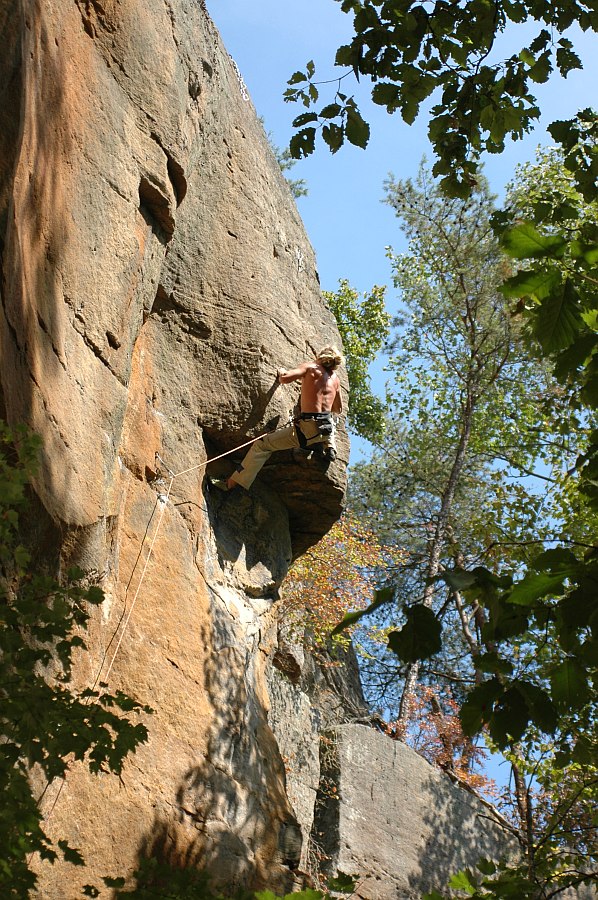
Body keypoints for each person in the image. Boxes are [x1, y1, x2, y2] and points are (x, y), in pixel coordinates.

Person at [211, 345, 344, 492]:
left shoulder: (311, 367)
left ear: (320, 356)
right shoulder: (336, 380)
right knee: (331, 418)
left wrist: (282, 372)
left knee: (262, 445)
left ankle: (232, 484)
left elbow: (285, 379)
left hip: (308, 430)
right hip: (325, 429)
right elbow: (337, 408)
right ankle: (330, 445)